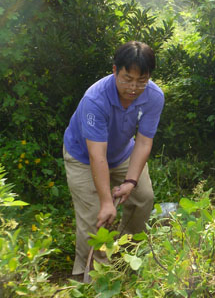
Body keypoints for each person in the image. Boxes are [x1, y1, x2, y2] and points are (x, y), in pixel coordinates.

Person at [63, 41, 164, 276]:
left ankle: (126, 255)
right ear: (115, 70)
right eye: (127, 79)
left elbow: (144, 142)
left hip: (122, 153)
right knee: (94, 216)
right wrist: (107, 202)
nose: (133, 87)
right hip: (83, 157)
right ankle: (93, 274)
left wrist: (130, 182)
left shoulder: (154, 96)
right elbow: (97, 155)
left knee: (143, 197)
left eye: (141, 80)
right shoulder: (95, 99)